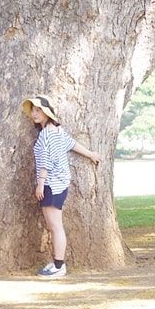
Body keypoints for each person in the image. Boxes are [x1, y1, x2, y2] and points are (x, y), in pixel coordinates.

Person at [22, 94, 100, 279]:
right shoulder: (56, 131)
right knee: (53, 225)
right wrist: (90, 154)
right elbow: (71, 144)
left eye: (39, 110)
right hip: (59, 183)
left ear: (47, 113)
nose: (34, 114)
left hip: (51, 184)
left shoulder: (48, 134)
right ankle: (57, 263)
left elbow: (46, 160)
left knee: (55, 226)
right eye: (33, 110)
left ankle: (59, 266)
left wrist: (40, 184)